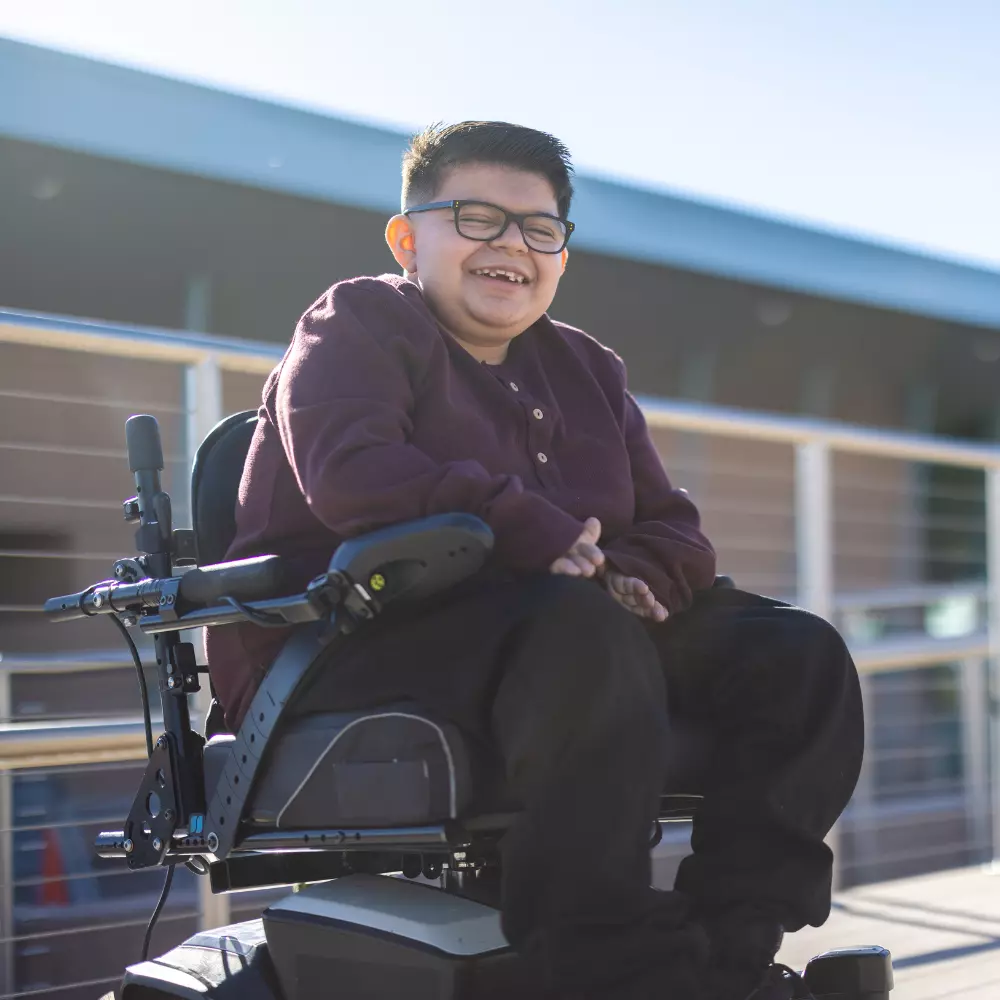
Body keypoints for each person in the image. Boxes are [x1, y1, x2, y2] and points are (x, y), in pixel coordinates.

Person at [205, 121, 864, 1000]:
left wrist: (640, 576)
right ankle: (603, 959)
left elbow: (674, 527)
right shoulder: (357, 321)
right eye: (476, 218)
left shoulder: (588, 368)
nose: (511, 244)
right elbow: (354, 477)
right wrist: (536, 531)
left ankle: (729, 950)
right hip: (351, 644)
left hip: (564, 638)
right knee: (577, 627)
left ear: (560, 253)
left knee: (796, 652)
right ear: (408, 238)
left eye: (538, 228)